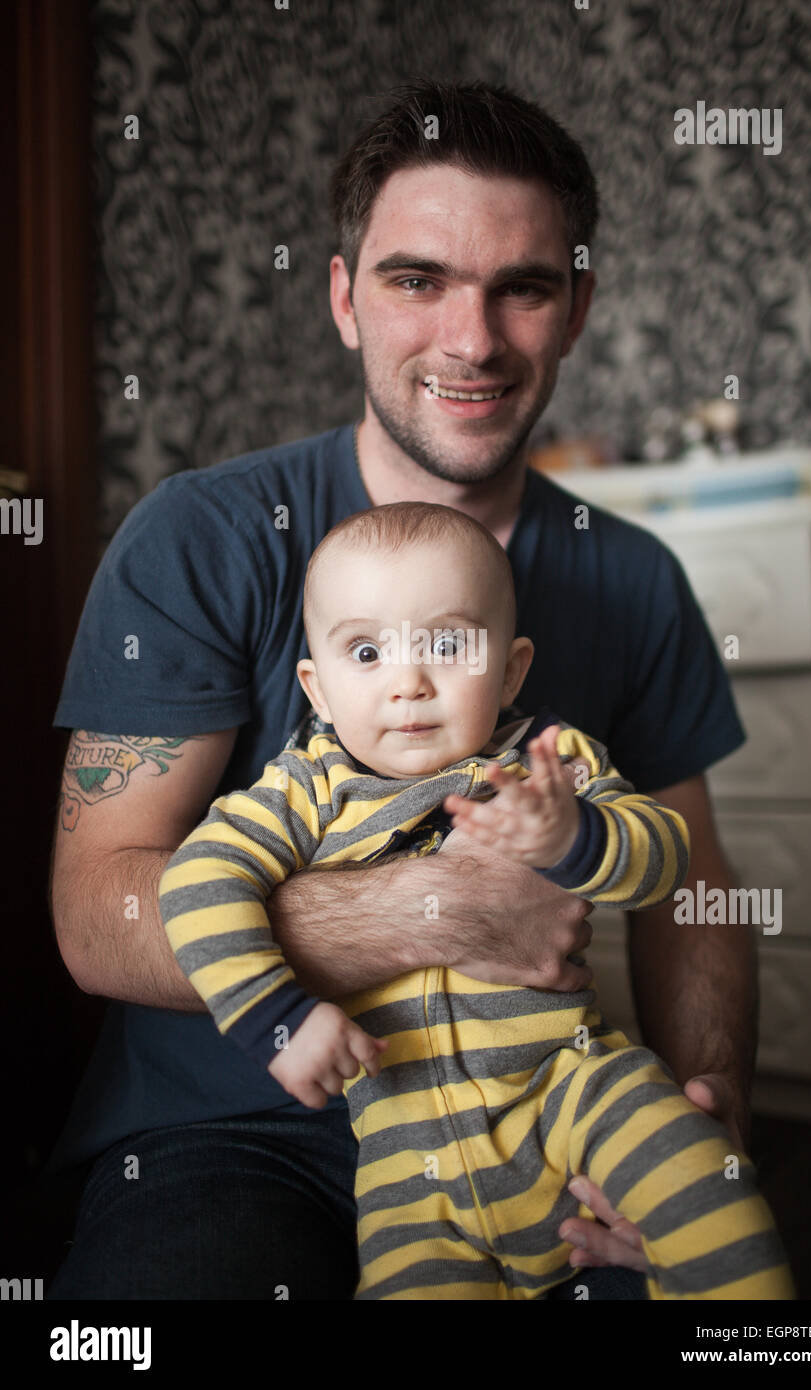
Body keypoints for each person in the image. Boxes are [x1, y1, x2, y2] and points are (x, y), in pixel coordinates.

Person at [47, 79, 759, 1300]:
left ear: (575, 308)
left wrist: (708, 1115)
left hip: (545, 1125)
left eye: (521, 287)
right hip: (223, 1142)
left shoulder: (633, 578)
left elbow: (687, 880)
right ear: (343, 298)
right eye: (416, 279)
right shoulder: (201, 538)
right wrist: (434, 907)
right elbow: (96, 912)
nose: (470, 339)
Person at [158, 501, 793, 1301]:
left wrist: (575, 839)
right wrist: (276, 1017)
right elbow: (195, 881)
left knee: (714, 1204)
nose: (409, 683)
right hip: (405, 1169)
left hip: (574, 1092)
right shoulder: (302, 793)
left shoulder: (545, 766)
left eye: (449, 643)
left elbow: (665, 856)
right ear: (316, 687)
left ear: (512, 669)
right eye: (365, 651)